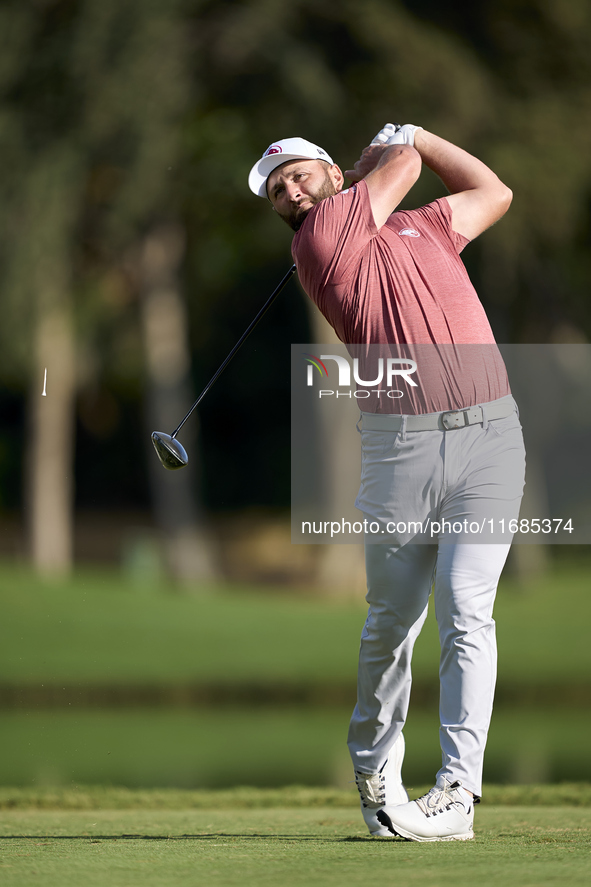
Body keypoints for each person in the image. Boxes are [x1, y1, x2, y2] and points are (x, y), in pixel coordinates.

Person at [248, 125, 525, 842]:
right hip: (401, 450)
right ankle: (375, 768)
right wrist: (401, 142)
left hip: (490, 438)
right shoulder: (317, 242)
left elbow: (494, 193)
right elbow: (401, 165)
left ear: (328, 173)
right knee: (392, 625)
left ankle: (457, 792)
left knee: (467, 610)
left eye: (297, 176)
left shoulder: (423, 227)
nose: (289, 192)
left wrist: (425, 136)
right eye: (279, 191)